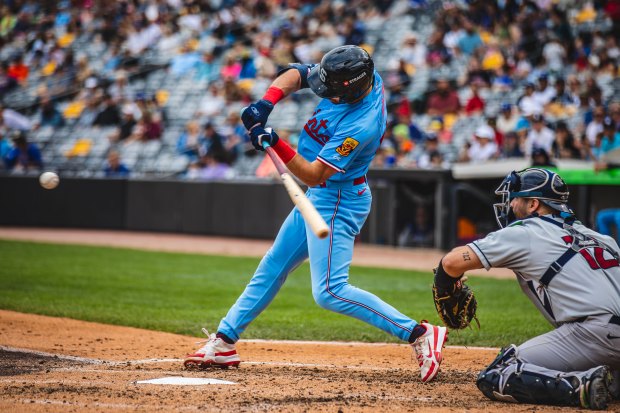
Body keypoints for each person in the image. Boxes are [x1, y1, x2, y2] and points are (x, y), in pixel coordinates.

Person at [184, 45, 447, 382]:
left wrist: (274, 141)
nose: (325, 94)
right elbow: (296, 73)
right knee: (274, 264)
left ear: (351, 89)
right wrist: (266, 103)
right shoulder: (360, 75)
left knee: (330, 291)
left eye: (333, 92)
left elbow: (313, 174)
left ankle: (419, 334)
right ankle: (224, 342)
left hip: (338, 198)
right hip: (320, 196)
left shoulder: (361, 124)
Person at [434, 168, 619, 410]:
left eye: (515, 199)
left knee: (498, 373)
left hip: (595, 335)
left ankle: (579, 386)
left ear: (533, 204)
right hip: (605, 336)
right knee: (613, 382)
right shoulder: (603, 239)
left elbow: (451, 262)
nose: (510, 206)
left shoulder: (526, 232)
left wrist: (445, 285)